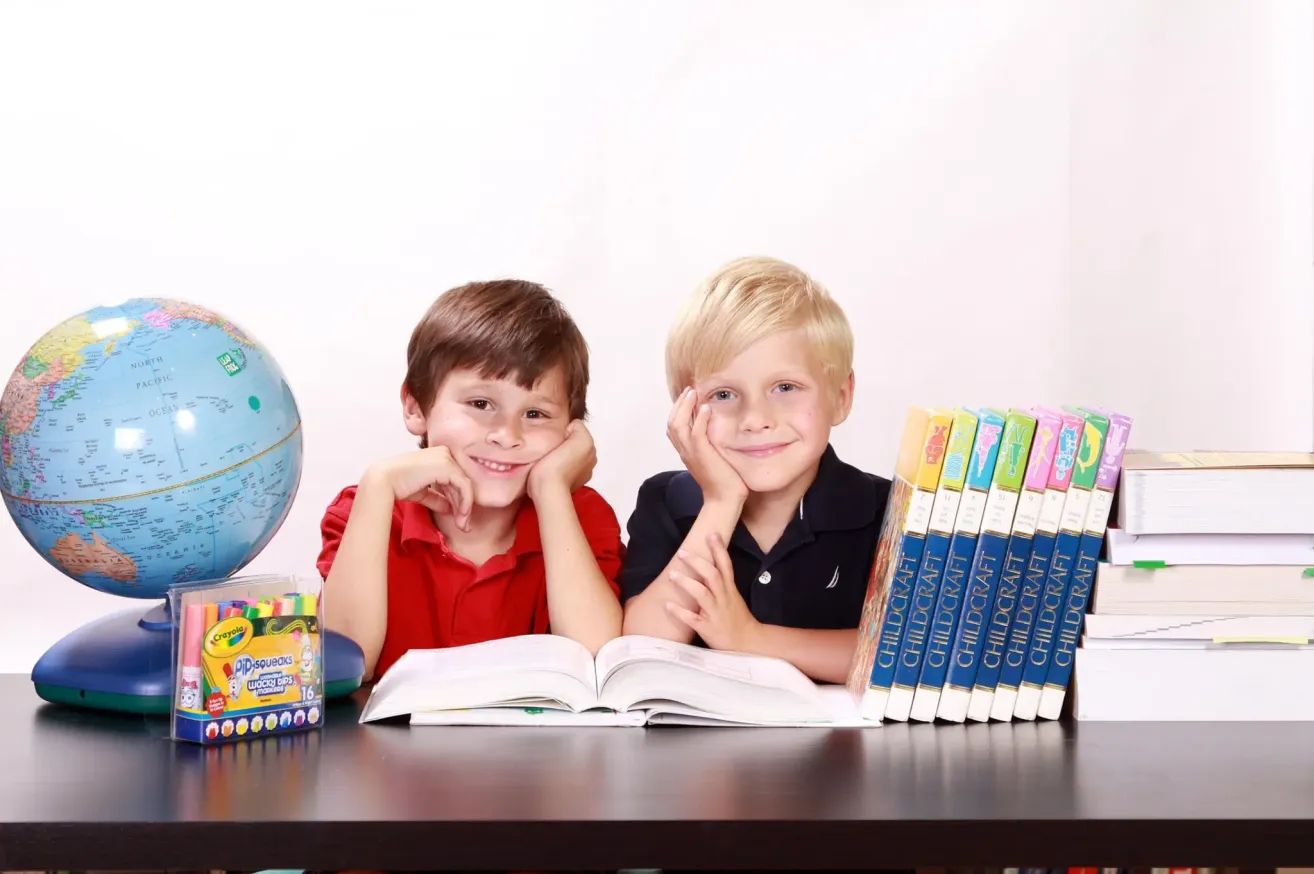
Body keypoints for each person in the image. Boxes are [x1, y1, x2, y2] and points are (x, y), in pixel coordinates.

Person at [317, 279, 624, 681]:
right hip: (390, 747)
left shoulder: (580, 517)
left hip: (531, 746)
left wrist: (550, 488)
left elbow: (599, 664)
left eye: (536, 414)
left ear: (571, 430)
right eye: (481, 404)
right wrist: (379, 483)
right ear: (415, 407)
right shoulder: (366, 510)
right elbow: (342, 670)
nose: (507, 435)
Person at [619, 256, 891, 684]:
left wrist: (750, 638)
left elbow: (899, 656)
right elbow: (641, 646)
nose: (755, 418)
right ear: (686, 409)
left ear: (840, 396)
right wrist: (722, 500)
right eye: (724, 393)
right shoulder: (667, 502)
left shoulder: (884, 511)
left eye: (785, 388)